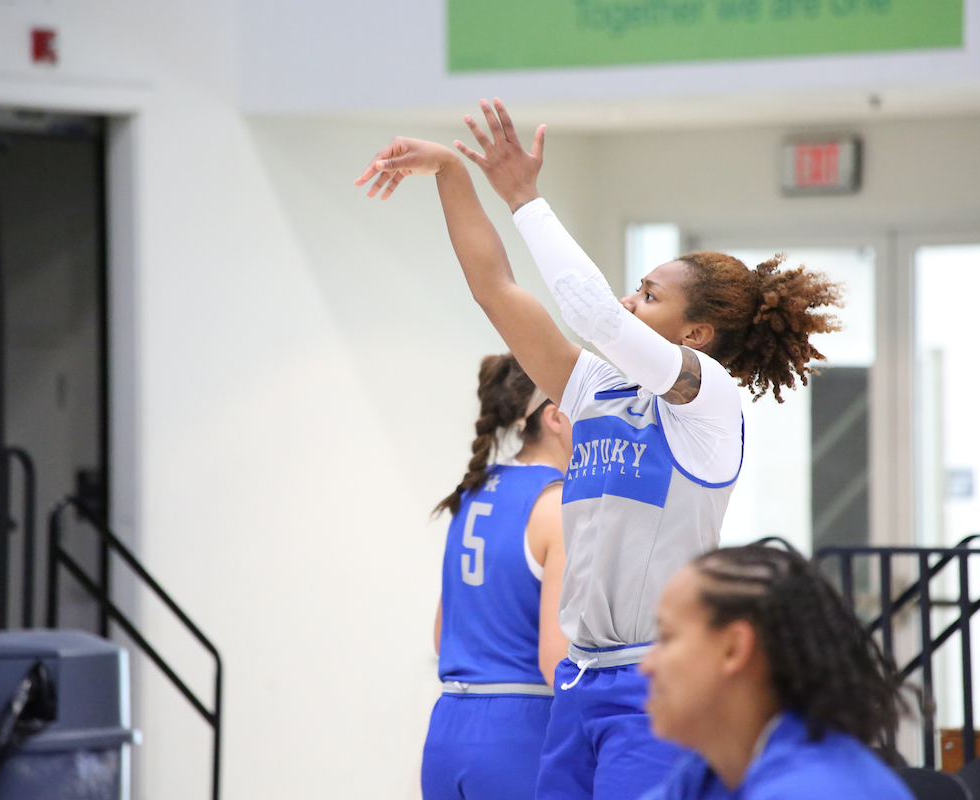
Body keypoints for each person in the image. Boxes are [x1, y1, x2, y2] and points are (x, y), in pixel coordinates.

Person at [356, 99, 842, 800]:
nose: (626, 300)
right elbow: (496, 291)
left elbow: (587, 311)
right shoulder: (595, 389)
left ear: (697, 333)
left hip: (656, 682)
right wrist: (448, 175)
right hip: (581, 679)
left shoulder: (709, 397)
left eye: (647, 294)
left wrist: (525, 198)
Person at [639, 545, 913, 800]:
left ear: (733, 649)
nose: (646, 666)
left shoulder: (812, 790)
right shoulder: (709, 775)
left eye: (666, 637)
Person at [422, 353, 573, 800]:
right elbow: (555, 661)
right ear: (557, 416)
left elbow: (440, 636)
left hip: (447, 729)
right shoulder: (559, 505)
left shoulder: (472, 490)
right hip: (519, 735)